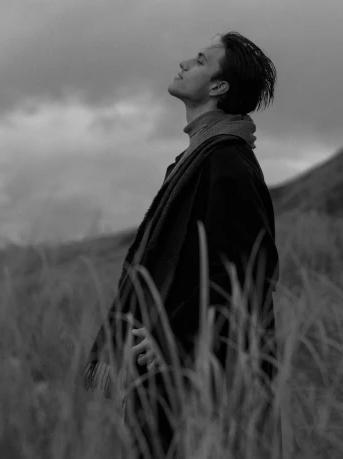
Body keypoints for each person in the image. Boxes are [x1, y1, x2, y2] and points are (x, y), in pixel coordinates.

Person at [83, 31, 281, 458]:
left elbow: (247, 270)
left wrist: (176, 342)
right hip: (168, 364)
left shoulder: (227, 163)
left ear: (218, 87)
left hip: (192, 372)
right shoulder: (198, 158)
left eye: (199, 60)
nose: (184, 63)